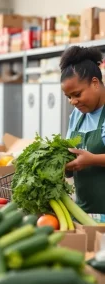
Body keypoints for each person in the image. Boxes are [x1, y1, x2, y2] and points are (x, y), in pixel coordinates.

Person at [61, 46, 105, 214]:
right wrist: (65, 165)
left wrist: (92, 159)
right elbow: (71, 169)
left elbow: (88, 159)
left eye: (77, 94)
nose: (73, 101)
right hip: (84, 214)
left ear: (94, 83)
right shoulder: (77, 116)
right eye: (69, 97)